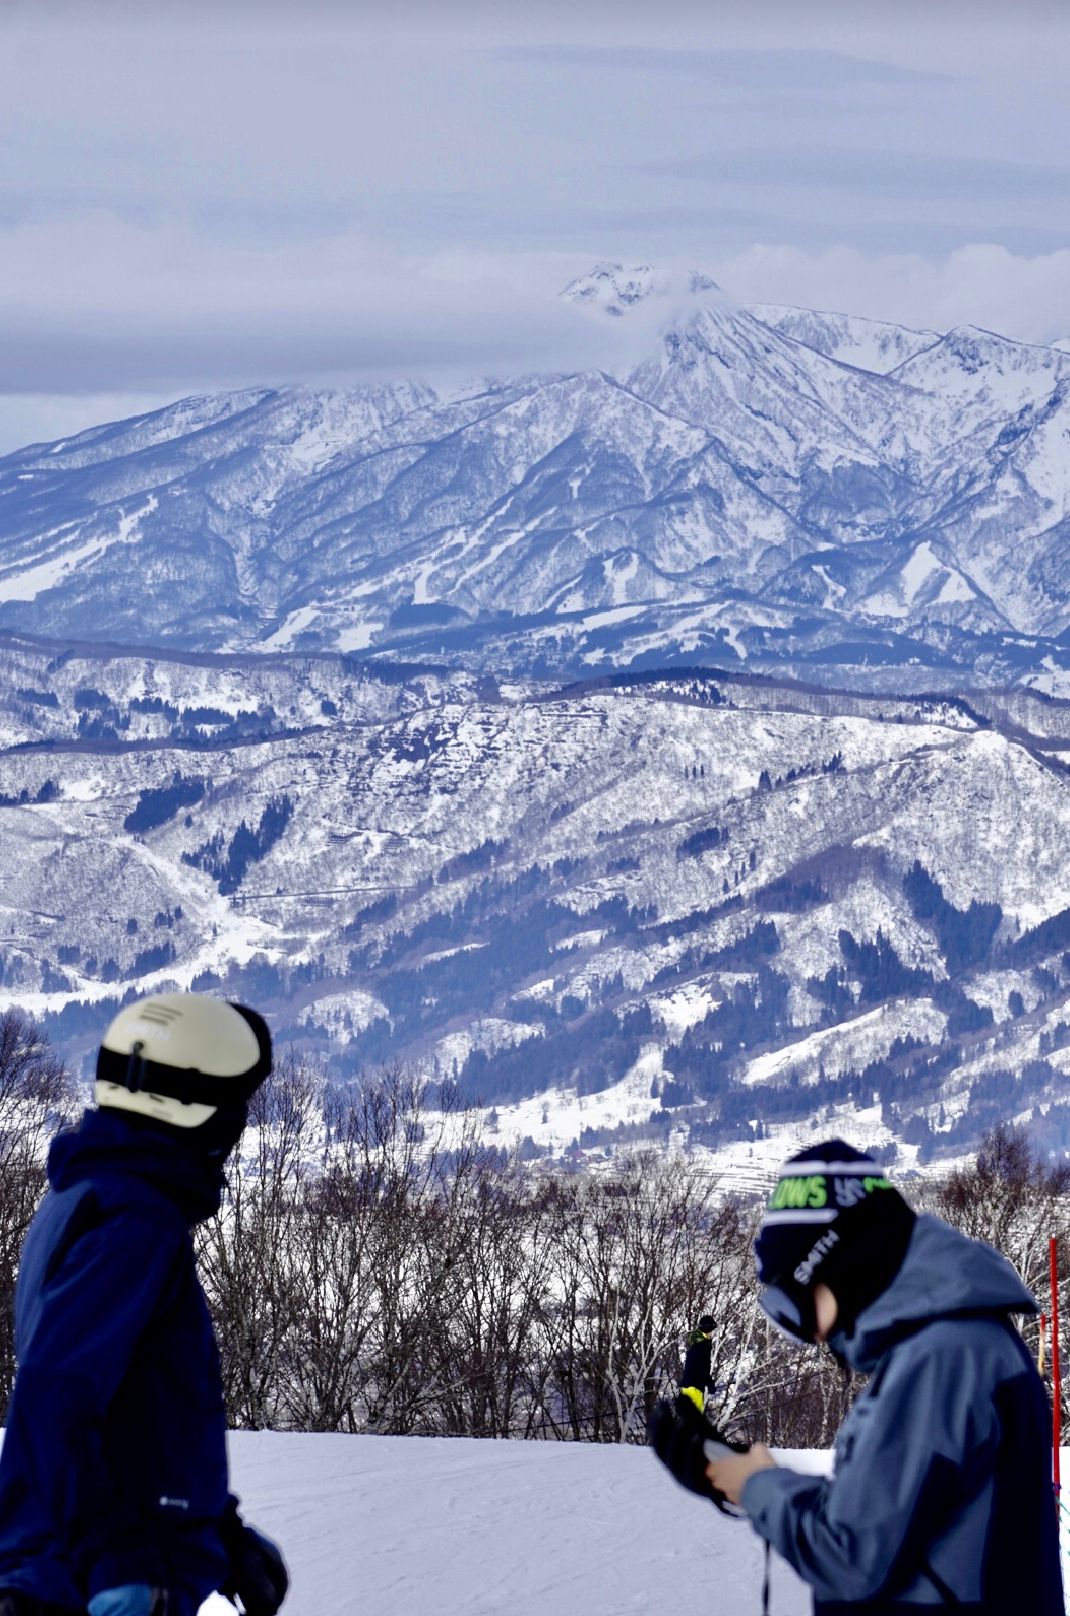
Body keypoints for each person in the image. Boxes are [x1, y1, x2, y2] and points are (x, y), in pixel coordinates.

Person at [651, 1139, 1064, 1614]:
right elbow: (889, 1519)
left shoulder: (942, 1358)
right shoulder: (961, 1342)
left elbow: (849, 1557)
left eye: (794, 1308)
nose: (813, 1334)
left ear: (841, 1266)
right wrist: (745, 1478)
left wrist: (756, 1485)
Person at [0, 992, 289, 1616]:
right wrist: (117, 1561)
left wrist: (216, 1532)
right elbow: (55, 1399)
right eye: (234, 1102)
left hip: (95, 1565)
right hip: (81, 1582)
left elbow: (138, 1412)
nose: (238, 1124)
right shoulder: (133, 1226)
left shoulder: (86, 1196)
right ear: (197, 1109)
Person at [679, 1314, 716, 1413]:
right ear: (707, 1330)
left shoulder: (695, 1345)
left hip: (685, 1389)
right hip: (695, 1389)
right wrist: (710, 1385)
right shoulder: (703, 1346)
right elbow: (702, 1369)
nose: (712, 1334)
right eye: (711, 1331)